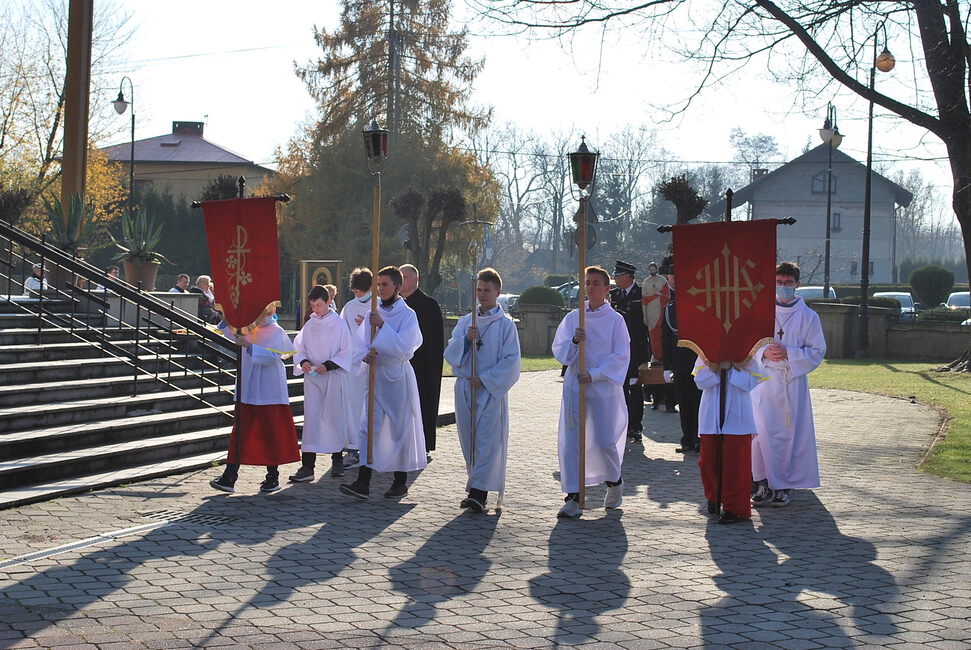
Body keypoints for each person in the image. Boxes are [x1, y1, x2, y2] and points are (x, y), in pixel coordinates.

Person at [340, 266, 426, 500]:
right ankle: (363, 482)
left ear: (397, 287)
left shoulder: (407, 314)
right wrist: (364, 356)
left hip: (396, 377)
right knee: (368, 427)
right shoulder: (373, 311)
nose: (380, 289)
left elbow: (407, 347)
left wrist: (383, 327)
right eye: (378, 284)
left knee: (399, 428)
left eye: (385, 284)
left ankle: (400, 481)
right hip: (376, 377)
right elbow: (359, 344)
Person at [551, 266, 630, 519]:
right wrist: (574, 341)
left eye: (596, 283)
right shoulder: (574, 317)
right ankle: (573, 497)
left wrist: (595, 374)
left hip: (603, 388)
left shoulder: (616, 321)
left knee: (604, 440)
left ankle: (614, 482)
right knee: (573, 442)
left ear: (607, 289)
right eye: (587, 282)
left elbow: (620, 356)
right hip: (576, 386)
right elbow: (560, 351)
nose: (590, 287)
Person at [444, 268, 521, 513]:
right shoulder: (466, 322)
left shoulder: (505, 325)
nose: (482, 294)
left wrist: (486, 379)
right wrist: (466, 340)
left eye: (487, 290)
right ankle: (476, 486)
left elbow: (511, 361)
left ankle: (478, 493)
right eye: (478, 290)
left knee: (487, 441)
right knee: (469, 439)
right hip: (466, 387)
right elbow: (450, 354)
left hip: (490, 391)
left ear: (498, 292)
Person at [751, 261, 827, 508]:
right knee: (760, 434)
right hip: (763, 381)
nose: (783, 287)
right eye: (779, 283)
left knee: (786, 436)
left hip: (791, 383)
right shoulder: (762, 312)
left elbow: (817, 351)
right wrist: (763, 353)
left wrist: (789, 354)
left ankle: (782, 486)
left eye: (788, 283)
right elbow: (749, 343)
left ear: (797, 284)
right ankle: (761, 483)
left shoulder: (809, 317)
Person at [209, 307, 301, 493]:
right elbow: (227, 331)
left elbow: (274, 355)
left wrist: (249, 346)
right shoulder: (247, 328)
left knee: (270, 432)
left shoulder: (276, 331)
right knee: (240, 431)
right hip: (248, 387)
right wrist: (227, 313)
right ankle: (229, 476)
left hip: (268, 390)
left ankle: (272, 477)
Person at [289, 285, 355, 482]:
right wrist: (303, 361)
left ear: (328, 302)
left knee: (334, 418)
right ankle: (307, 466)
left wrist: (329, 365)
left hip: (332, 376)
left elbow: (346, 350)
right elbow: (299, 347)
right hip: (313, 379)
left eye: (319, 305)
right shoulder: (310, 325)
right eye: (313, 306)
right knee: (311, 419)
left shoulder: (339, 324)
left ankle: (337, 461)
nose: (315, 309)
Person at [693, 356, 765, 524]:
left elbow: (751, 383)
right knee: (708, 461)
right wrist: (716, 369)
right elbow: (700, 382)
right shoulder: (705, 354)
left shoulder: (747, 356)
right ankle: (714, 496)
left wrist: (731, 369)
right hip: (711, 414)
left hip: (737, 415)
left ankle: (735, 507)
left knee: (735, 464)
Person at [400, 263, 444, 458]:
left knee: (423, 403)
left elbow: (434, 340)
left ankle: (423, 444)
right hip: (400, 365)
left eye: (406, 277)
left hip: (422, 365)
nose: (402, 281)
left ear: (416, 280)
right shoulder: (395, 305)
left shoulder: (429, 305)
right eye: (399, 277)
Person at [660, 258, 701, 453]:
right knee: (684, 402)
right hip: (680, 362)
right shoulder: (670, 308)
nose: (674, 279)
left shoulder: (699, 303)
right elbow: (666, 338)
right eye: (672, 275)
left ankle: (700, 439)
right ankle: (688, 439)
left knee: (700, 402)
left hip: (700, 361)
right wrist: (666, 366)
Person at [609, 261, 650, 442]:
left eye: (618, 275)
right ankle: (621, 425)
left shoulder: (642, 295)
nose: (615, 278)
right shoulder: (613, 295)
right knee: (620, 388)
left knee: (635, 389)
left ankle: (635, 426)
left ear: (627, 276)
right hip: (618, 351)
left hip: (636, 350)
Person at [338, 267, 373, 469]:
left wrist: (367, 325)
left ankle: (372, 448)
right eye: (355, 291)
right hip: (353, 365)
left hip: (371, 363)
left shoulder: (377, 305)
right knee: (354, 406)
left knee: (371, 406)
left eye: (361, 291)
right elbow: (342, 332)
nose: (358, 294)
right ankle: (353, 449)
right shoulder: (349, 307)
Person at [642, 262, 676, 412]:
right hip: (652, 316)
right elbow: (645, 300)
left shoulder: (664, 284)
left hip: (665, 324)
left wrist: (659, 294)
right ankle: (655, 399)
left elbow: (666, 297)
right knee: (656, 357)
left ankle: (670, 402)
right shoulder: (646, 282)